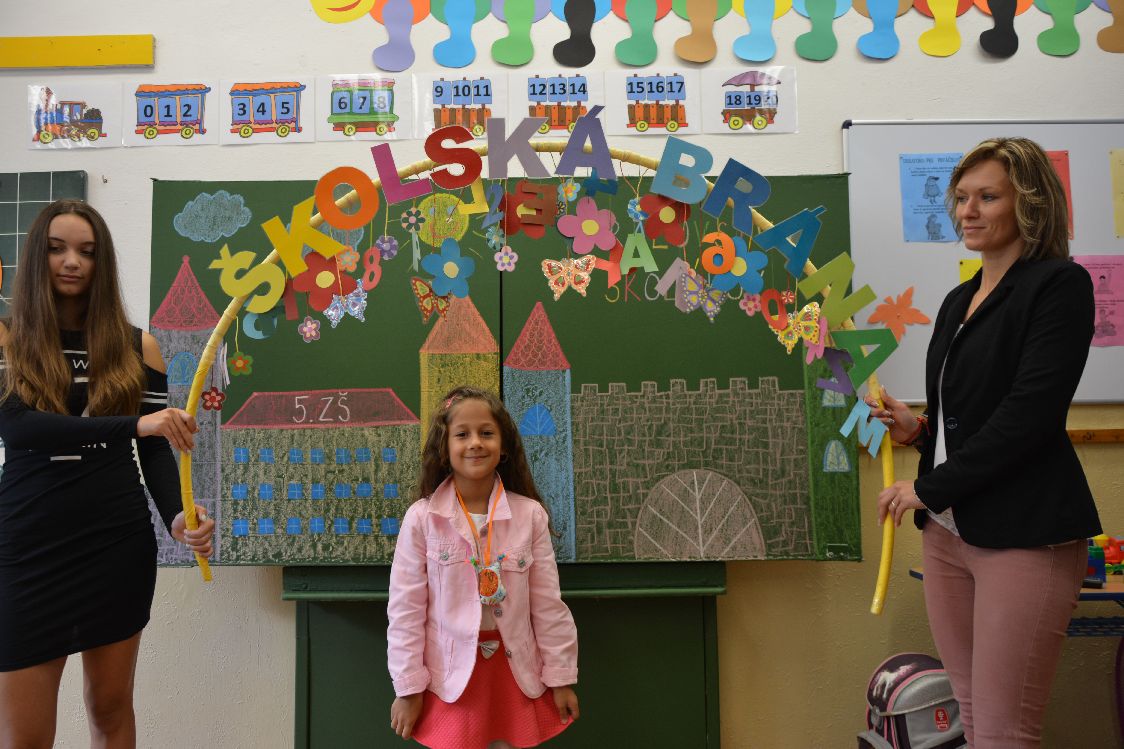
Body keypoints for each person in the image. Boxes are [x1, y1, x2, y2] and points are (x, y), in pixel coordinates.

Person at [867, 138, 1102, 748]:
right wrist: (918, 431)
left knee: (1004, 732)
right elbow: (969, 416)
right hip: (949, 533)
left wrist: (927, 487)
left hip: (1024, 533)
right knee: (973, 719)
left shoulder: (1059, 285)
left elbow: (1028, 416)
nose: (967, 211)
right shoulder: (959, 298)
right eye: (962, 198)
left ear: (1030, 204)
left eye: (987, 197)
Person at [0, 199, 215, 748]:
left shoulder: (138, 345)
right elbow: (19, 428)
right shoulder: (7, 338)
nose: (72, 261)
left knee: (111, 710)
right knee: (24, 736)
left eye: (87, 251)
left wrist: (177, 517)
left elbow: (157, 452)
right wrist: (134, 425)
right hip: (27, 547)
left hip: (115, 545)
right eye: (57, 249)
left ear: (103, 263)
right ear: (37, 257)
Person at [387, 386, 579, 749]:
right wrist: (408, 688)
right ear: (444, 449)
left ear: (503, 446)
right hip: (449, 675)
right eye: (462, 434)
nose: (475, 443)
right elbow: (405, 611)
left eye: (486, 433)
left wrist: (561, 678)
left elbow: (548, 605)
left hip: (516, 668)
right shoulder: (422, 518)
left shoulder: (530, 516)